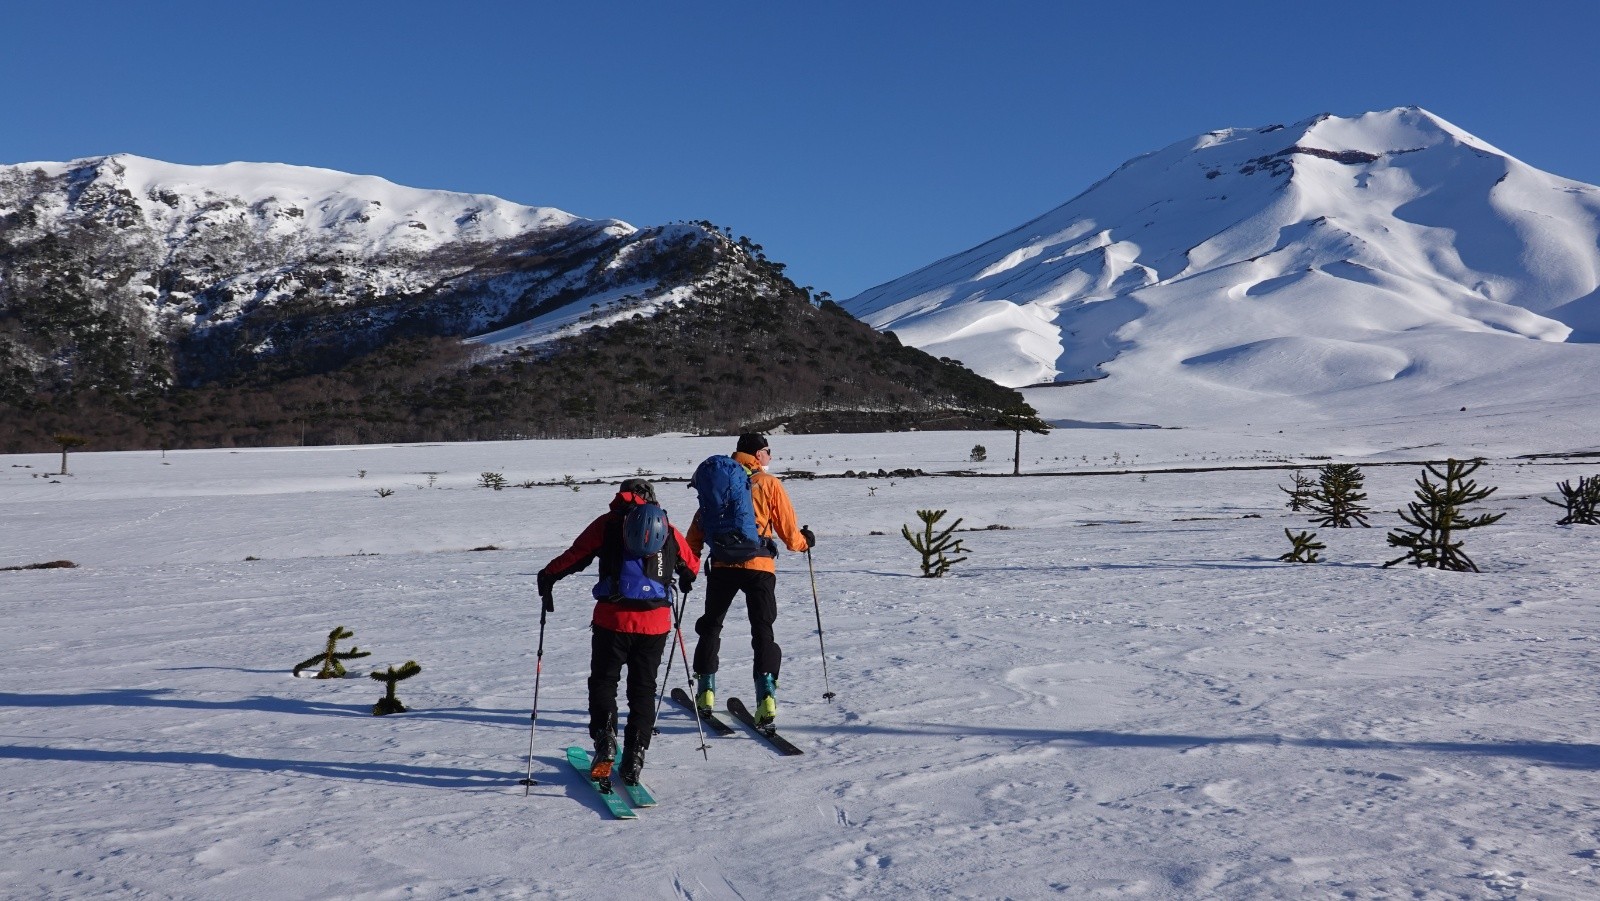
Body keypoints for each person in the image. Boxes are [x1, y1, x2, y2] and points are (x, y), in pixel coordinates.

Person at [537, 478, 698, 785]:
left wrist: (548, 575)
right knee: (643, 689)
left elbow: (576, 555)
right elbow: (691, 567)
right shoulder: (667, 529)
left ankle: (605, 739)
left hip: (612, 620)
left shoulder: (608, 524)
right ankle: (636, 753)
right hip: (655, 623)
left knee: (604, 681)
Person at [687, 433, 815, 729]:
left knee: (712, 625)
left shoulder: (719, 483)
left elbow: (697, 528)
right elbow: (788, 532)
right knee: (762, 629)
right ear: (758, 454)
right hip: (759, 565)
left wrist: (689, 564)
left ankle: (705, 691)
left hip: (722, 565)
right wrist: (804, 543)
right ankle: (766, 695)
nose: (770, 456)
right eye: (768, 451)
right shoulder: (769, 484)